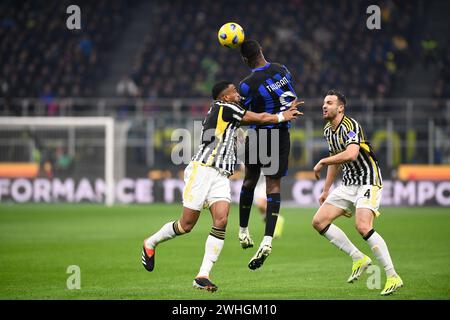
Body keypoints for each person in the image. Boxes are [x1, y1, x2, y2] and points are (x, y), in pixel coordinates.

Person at [142, 81, 302, 292]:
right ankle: (150, 243)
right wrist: (282, 116)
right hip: (203, 170)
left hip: (221, 175)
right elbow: (259, 117)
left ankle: (202, 275)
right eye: (233, 91)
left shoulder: (228, 114)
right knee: (186, 225)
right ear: (224, 97)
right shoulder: (225, 108)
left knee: (222, 220)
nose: (238, 93)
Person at [312, 89, 403, 296]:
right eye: (323, 103)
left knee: (362, 226)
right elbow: (336, 159)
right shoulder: (328, 130)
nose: (324, 106)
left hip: (368, 180)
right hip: (349, 183)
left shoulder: (351, 126)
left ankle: (392, 275)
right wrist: (326, 190)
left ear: (340, 107)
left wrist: (323, 161)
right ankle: (358, 257)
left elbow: (352, 155)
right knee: (319, 221)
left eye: (329, 103)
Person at [237, 39, 300, 270]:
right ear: (262, 50)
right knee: (273, 186)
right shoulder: (282, 69)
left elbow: (240, 114)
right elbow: (291, 98)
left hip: (257, 135)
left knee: (249, 181)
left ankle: (243, 231)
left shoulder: (247, 84)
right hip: (280, 134)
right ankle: (267, 239)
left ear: (245, 60)